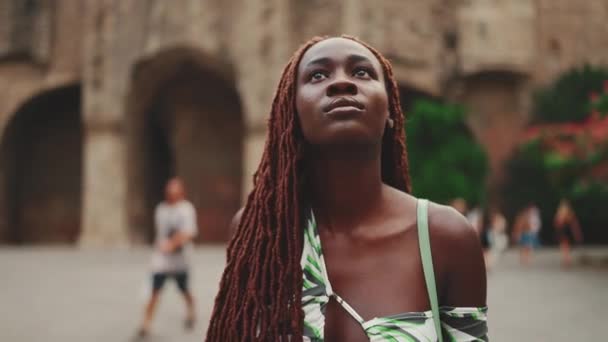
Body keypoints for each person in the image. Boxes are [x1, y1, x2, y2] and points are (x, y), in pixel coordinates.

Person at [206, 36, 487, 341]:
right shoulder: (261, 232)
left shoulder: (445, 237)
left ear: (391, 109)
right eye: (318, 75)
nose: (341, 83)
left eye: (361, 73)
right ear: (292, 113)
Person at [137, 178, 198, 338]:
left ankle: (191, 312)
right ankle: (146, 323)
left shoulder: (186, 209)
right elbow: (160, 233)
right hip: (163, 260)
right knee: (154, 291)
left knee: (184, 289)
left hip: (180, 259)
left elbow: (189, 232)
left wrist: (173, 243)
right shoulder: (161, 209)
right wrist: (160, 250)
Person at [554, 199, 584, 267]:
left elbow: (558, 224)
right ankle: (567, 260)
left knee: (565, 247)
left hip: (564, 231)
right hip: (565, 231)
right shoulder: (568, 213)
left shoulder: (561, 213)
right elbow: (574, 224)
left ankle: (566, 260)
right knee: (565, 247)